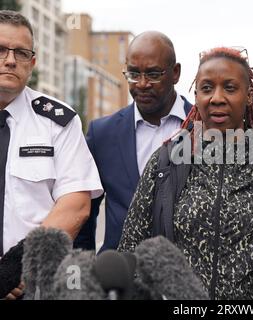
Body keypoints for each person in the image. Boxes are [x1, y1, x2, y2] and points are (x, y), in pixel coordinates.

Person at [118, 47, 253, 299]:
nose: (216, 98)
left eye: (230, 88)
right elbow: (131, 248)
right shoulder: (165, 162)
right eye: (206, 88)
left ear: (248, 96)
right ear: (196, 95)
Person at [0, 11, 102, 299]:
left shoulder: (58, 121)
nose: (10, 60)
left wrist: (16, 267)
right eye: (1, 50)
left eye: (20, 53)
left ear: (32, 63)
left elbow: (76, 204)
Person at [74, 31, 192, 252]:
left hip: (186, 278)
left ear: (175, 73)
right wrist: (82, 275)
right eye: (133, 74)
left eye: (153, 74)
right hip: (118, 278)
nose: (142, 84)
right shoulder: (102, 134)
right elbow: (83, 215)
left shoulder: (206, 129)